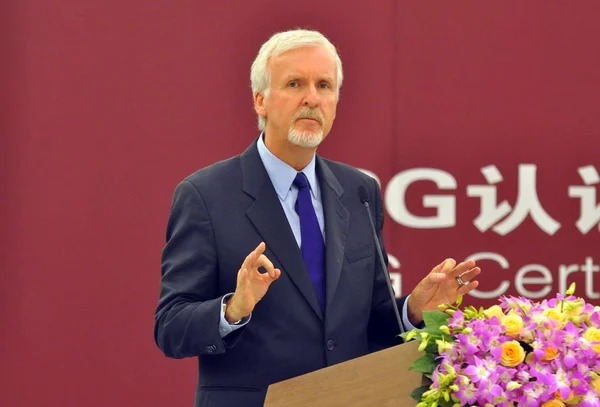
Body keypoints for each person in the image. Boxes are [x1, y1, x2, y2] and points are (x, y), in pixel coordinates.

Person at [154, 29, 481, 407]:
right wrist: (233, 308)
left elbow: (366, 326)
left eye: (324, 85)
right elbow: (171, 326)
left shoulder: (359, 190)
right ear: (260, 101)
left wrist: (411, 311)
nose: (312, 98)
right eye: (295, 84)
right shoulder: (206, 195)